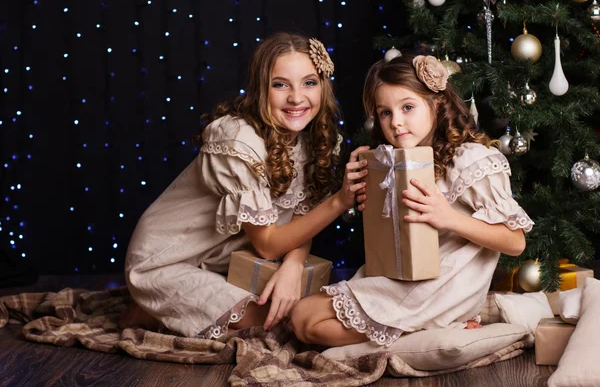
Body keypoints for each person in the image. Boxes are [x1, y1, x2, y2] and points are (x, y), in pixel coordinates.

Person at [120, 32, 370, 339]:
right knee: (279, 323)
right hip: (165, 260)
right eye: (280, 84)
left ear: (323, 86)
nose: (296, 97)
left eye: (309, 83)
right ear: (261, 89)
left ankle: (167, 310)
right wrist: (340, 201)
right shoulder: (237, 140)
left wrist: (293, 266)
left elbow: (302, 219)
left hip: (223, 261)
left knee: (295, 305)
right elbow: (266, 245)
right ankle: (150, 305)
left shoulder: (312, 140)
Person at [290, 54, 534, 348]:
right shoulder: (394, 163)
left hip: (442, 287)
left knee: (306, 319)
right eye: (385, 113)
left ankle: (427, 327)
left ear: (436, 104)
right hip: (402, 277)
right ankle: (423, 331)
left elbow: (516, 241)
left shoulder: (472, 160)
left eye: (407, 107)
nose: (396, 122)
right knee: (303, 321)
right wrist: (361, 190)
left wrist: (449, 218)